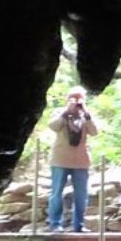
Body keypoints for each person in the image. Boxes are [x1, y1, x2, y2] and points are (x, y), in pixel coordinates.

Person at [47, 86, 98, 232]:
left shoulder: (86, 115)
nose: (77, 102)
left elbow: (94, 132)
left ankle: (79, 225)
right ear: (67, 99)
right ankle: (55, 223)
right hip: (60, 160)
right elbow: (53, 126)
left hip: (81, 162)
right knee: (56, 193)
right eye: (73, 98)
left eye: (80, 98)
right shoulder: (60, 113)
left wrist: (87, 115)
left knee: (81, 195)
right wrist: (66, 112)